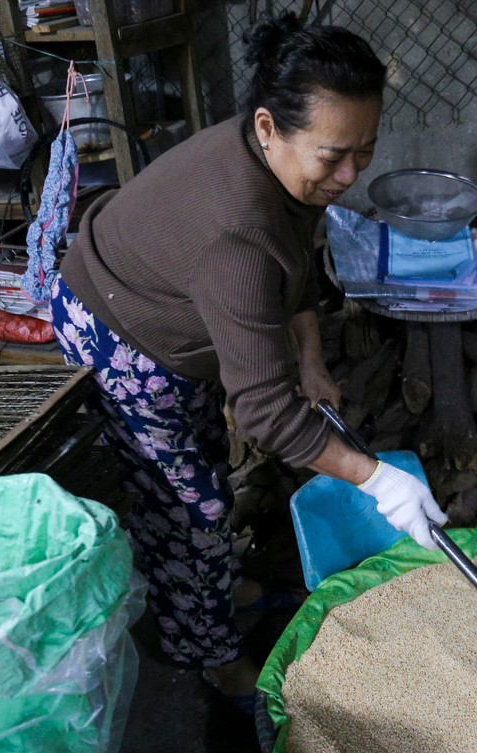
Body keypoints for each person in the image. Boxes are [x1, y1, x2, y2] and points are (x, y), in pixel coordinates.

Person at [50, 13, 445, 709]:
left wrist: (311, 358)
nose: (350, 174)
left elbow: (292, 266)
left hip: (176, 303)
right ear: (268, 128)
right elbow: (263, 410)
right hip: (121, 328)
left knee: (201, 458)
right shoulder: (237, 230)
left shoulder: (282, 167)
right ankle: (207, 656)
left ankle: (216, 587)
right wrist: (377, 479)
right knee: (188, 506)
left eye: (366, 149)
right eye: (333, 156)